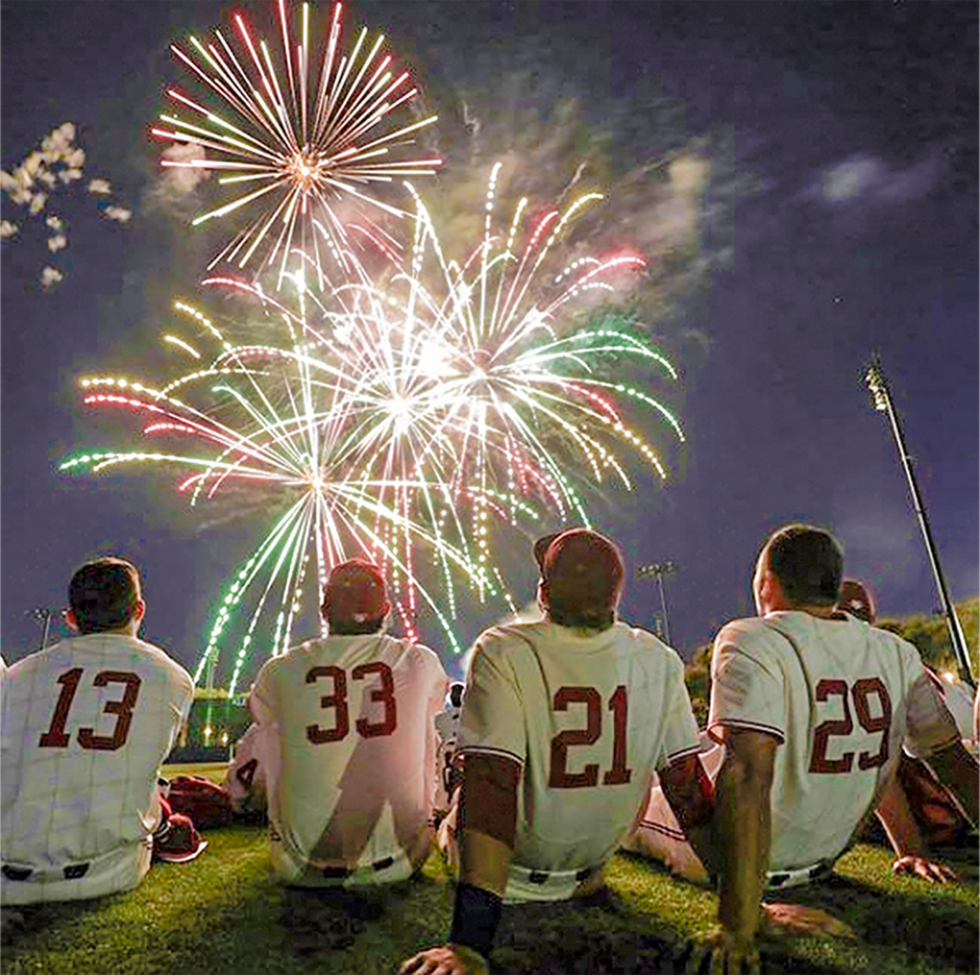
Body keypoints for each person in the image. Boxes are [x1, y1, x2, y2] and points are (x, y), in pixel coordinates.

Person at [401, 528, 712, 975]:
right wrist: (745, 906)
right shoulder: (657, 659)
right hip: (590, 872)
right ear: (617, 592)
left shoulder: (505, 649)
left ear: (543, 592)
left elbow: (491, 790)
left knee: (461, 787)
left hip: (509, 879)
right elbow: (691, 794)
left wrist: (469, 944)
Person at [700, 525, 978, 972]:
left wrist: (740, 918)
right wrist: (911, 847)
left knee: (670, 771)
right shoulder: (896, 652)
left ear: (767, 581)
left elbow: (747, 776)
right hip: (823, 856)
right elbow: (954, 764)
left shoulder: (750, 637)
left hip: (744, 856)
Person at [1, 557, 194, 904]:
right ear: (139, 610)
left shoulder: (16, 676)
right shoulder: (173, 676)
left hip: (7, 874)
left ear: (71, 618)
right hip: (110, 871)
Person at [249, 558, 448, 887]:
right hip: (404, 860)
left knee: (272, 730)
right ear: (385, 609)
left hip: (298, 866)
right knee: (426, 725)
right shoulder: (420, 660)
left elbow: (261, 723)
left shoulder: (280, 668)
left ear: (325, 610)